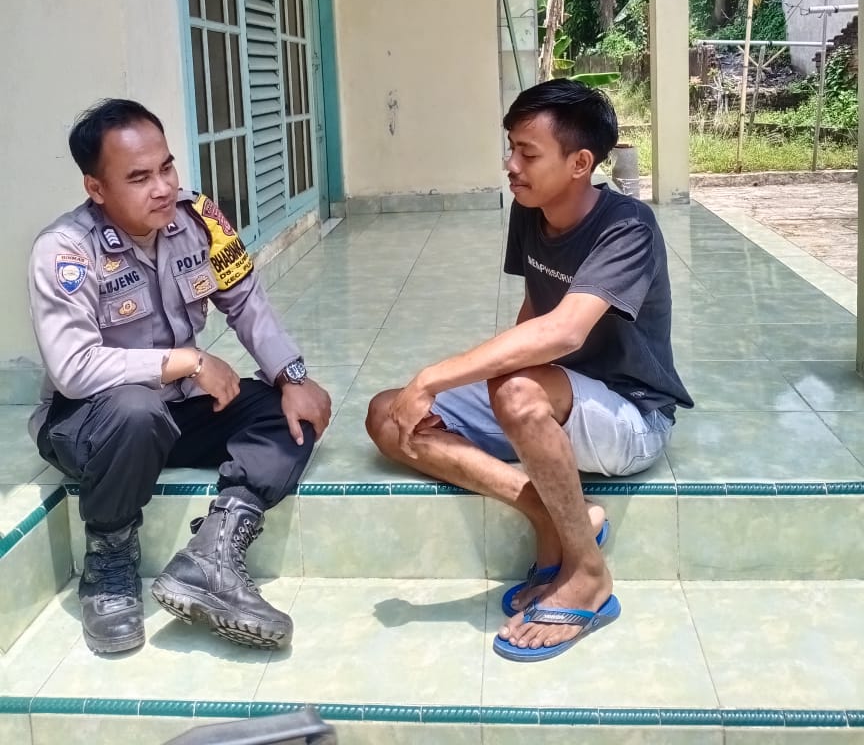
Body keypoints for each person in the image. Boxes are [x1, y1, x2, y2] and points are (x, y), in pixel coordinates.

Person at [366, 79, 692, 663]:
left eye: (528, 153)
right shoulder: (532, 210)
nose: (511, 165)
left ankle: (588, 574)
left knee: (514, 391)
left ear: (580, 163)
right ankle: (553, 515)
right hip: (555, 399)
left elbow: (563, 331)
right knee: (390, 415)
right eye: (510, 148)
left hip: (631, 417)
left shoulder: (628, 227)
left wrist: (434, 378)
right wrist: (439, 391)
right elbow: (532, 318)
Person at [28, 99, 331, 656]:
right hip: (92, 423)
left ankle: (213, 551)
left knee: (288, 412)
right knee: (135, 410)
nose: (163, 187)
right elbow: (74, 368)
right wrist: (188, 361)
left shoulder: (199, 220)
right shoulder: (65, 250)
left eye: (166, 167)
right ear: (96, 188)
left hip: (177, 410)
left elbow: (247, 303)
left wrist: (292, 376)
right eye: (139, 177)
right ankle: (109, 561)